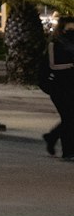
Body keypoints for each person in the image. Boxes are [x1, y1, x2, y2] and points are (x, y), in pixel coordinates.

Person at [43, 17, 74, 159]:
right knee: (68, 118)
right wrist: (70, 65)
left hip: (71, 85)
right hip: (58, 86)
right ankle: (67, 151)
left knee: (69, 118)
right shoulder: (54, 44)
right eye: (69, 29)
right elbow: (52, 65)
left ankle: (52, 137)